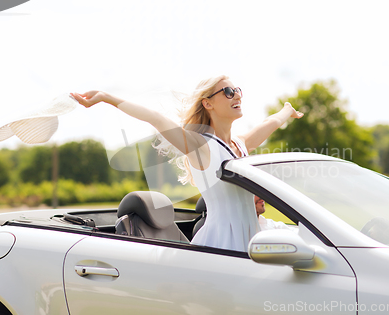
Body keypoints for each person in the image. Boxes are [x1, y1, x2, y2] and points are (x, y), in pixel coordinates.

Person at [71, 75, 303, 251]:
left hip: (251, 238)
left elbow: (272, 122)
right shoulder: (200, 145)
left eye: (238, 90)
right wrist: (106, 97)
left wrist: (286, 111)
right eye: (229, 92)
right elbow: (155, 117)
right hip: (221, 246)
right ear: (208, 104)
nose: (237, 95)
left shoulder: (241, 144)